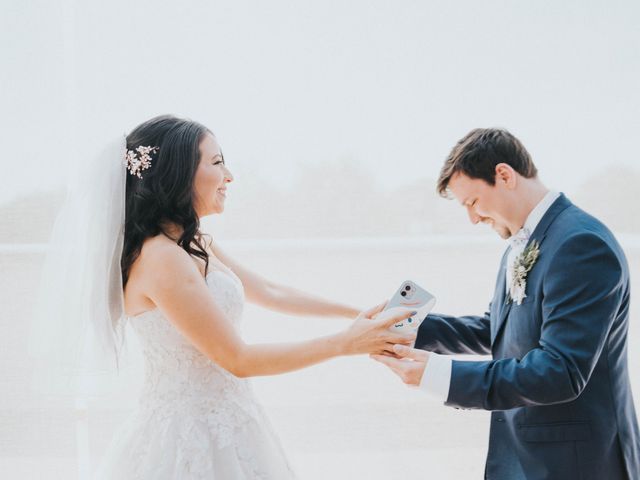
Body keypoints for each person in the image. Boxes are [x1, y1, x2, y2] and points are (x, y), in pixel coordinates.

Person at [32, 114, 415, 480]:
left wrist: (358, 312)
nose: (229, 176)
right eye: (217, 163)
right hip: (189, 436)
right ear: (178, 175)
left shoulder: (193, 243)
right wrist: (346, 343)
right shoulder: (160, 258)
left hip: (234, 420)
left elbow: (270, 290)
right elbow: (238, 358)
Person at [373, 128, 640, 479]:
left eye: (472, 202)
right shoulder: (520, 243)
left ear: (504, 175)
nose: (472, 218)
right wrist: (409, 328)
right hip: (526, 457)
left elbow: (560, 371)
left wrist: (440, 375)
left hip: (578, 463)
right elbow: (498, 329)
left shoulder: (582, 245)